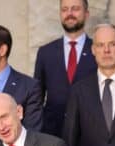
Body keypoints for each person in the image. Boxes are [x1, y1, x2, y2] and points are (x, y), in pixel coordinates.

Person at [34, 0, 97, 137]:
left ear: (86, 14)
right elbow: (37, 96)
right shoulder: (46, 52)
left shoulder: (98, 51)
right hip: (52, 134)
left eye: (75, 9)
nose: (69, 13)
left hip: (90, 134)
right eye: (64, 9)